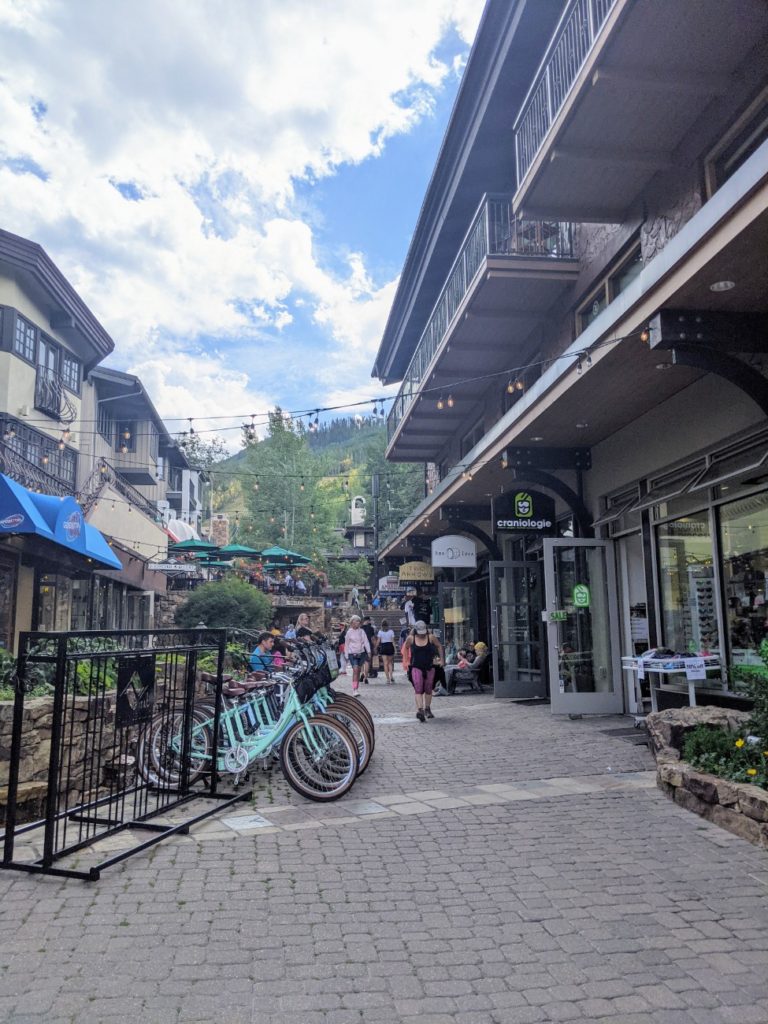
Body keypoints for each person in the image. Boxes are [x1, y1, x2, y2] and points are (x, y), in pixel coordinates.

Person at [402, 621, 443, 722]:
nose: (422, 634)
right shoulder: (411, 638)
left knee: (429, 688)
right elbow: (405, 648)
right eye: (420, 632)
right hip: (416, 666)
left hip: (429, 666)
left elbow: (439, 646)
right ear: (415, 630)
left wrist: (442, 659)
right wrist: (406, 661)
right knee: (418, 688)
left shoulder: (431, 637)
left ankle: (427, 709)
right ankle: (420, 710)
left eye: (423, 632)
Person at [344, 613, 370, 696]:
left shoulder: (362, 631)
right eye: (356, 621)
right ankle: (354, 689)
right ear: (352, 623)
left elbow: (366, 641)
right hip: (352, 654)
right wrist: (346, 655)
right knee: (355, 670)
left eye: (359, 621)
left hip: (361, 653)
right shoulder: (349, 632)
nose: (358, 623)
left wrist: (368, 651)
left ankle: (356, 687)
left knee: (358, 671)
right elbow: (346, 644)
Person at [377, 619, 396, 684]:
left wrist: (375, 647)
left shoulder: (380, 632)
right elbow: (393, 641)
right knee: (390, 663)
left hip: (383, 647)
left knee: (385, 663)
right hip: (390, 646)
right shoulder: (391, 631)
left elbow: (378, 641)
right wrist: (395, 649)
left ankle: (387, 679)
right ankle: (391, 676)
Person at [361, 615, 377, 682]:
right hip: (369, 646)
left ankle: (362, 674)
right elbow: (373, 639)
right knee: (367, 662)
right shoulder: (371, 628)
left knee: (361, 662)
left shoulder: (360, 628)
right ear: (368, 621)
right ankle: (365, 677)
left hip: (360, 646)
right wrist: (375, 647)